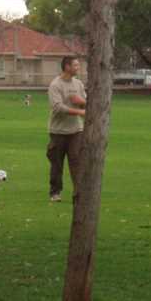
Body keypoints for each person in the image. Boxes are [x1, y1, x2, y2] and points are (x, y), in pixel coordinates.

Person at [46, 56, 86, 203]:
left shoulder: (79, 84)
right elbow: (57, 107)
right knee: (57, 164)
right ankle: (55, 193)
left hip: (76, 131)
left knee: (77, 163)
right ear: (67, 66)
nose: (78, 67)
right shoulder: (55, 85)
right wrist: (79, 112)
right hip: (58, 132)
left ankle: (79, 194)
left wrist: (81, 102)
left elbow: (86, 104)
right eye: (75, 65)